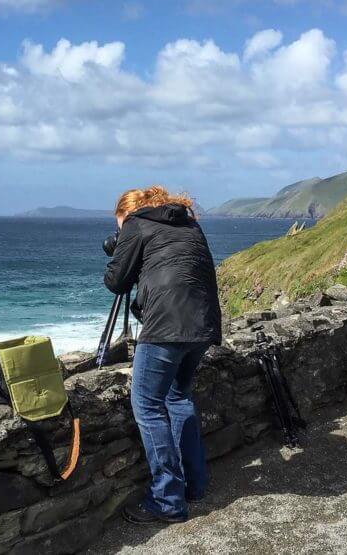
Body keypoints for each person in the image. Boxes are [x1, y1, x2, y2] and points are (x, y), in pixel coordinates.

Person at [103, 185, 222, 524]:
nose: (119, 231)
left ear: (126, 214)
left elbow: (116, 281)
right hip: (203, 323)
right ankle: (195, 484)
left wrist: (117, 249)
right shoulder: (188, 224)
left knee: (146, 405)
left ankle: (167, 500)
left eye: (118, 224)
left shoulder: (136, 225)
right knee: (177, 397)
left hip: (167, 325)